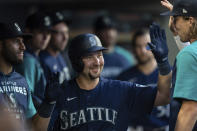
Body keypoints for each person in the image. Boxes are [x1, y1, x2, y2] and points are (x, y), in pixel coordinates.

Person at [49, 27, 172, 130]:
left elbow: (164, 96)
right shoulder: (61, 94)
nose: (97, 62)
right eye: (89, 57)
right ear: (76, 61)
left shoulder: (120, 89)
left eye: (99, 55)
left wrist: (163, 63)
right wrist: (47, 105)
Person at [0, 22, 58, 131]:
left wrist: (48, 103)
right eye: (17, 42)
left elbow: (35, 128)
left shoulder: (22, 81)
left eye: (22, 42)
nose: (23, 47)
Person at [117, 29, 169, 131]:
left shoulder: (169, 73)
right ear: (133, 49)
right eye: (138, 46)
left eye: (147, 45)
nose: (143, 50)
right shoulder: (124, 78)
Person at [161, 0, 197, 130]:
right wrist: (176, 34)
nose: (174, 25)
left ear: (191, 21)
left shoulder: (189, 54)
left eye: (176, 19)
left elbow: (190, 109)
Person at [15, 11, 52, 110]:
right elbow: (27, 96)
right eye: (41, 32)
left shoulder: (36, 57)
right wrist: (48, 109)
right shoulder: (28, 60)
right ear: (28, 32)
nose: (45, 37)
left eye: (48, 32)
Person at [93, 15, 135, 79]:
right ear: (96, 32)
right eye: (104, 29)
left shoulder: (127, 56)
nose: (109, 33)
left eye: (112, 29)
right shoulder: (90, 58)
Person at [40, 11, 71, 84]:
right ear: (49, 34)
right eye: (60, 33)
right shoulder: (42, 60)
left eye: (66, 32)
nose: (65, 38)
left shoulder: (62, 56)